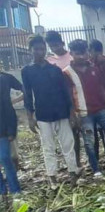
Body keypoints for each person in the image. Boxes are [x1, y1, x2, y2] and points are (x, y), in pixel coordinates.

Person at [64, 39, 105, 176]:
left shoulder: (94, 68)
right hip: (83, 113)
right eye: (78, 54)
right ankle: (96, 169)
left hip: (100, 110)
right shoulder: (67, 72)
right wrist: (72, 115)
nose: (82, 56)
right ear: (71, 53)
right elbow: (68, 95)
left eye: (84, 53)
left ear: (87, 52)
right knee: (89, 142)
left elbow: (101, 89)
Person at [22, 35, 80, 188]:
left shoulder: (55, 69)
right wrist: (30, 117)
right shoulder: (27, 71)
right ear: (31, 51)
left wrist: (71, 112)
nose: (40, 52)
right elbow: (27, 94)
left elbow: (65, 92)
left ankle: (73, 173)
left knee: (68, 144)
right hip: (42, 114)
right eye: (36, 49)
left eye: (42, 49)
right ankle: (52, 177)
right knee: (48, 147)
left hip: (61, 111)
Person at [45, 30, 81, 167]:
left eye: (56, 45)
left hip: (78, 99)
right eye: (52, 46)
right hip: (62, 102)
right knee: (68, 134)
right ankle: (73, 162)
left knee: (81, 131)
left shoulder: (72, 57)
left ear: (62, 43)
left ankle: (79, 160)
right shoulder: (49, 61)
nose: (55, 48)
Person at [0, 67, 23, 198]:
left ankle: (15, 190)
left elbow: (7, 107)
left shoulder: (3, 79)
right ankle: (2, 191)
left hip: (3, 129)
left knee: (5, 158)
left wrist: (11, 130)